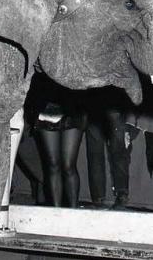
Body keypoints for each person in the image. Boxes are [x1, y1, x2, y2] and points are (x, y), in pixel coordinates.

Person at [25, 72, 87, 207]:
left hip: (73, 104)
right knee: (53, 164)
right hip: (46, 103)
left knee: (68, 164)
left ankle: (73, 211)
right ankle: (56, 211)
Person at [84, 87, 134, 210]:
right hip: (94, 105)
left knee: (118, 152)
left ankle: (120, 194)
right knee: (96, 153)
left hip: (116, 105)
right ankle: (98, 198)